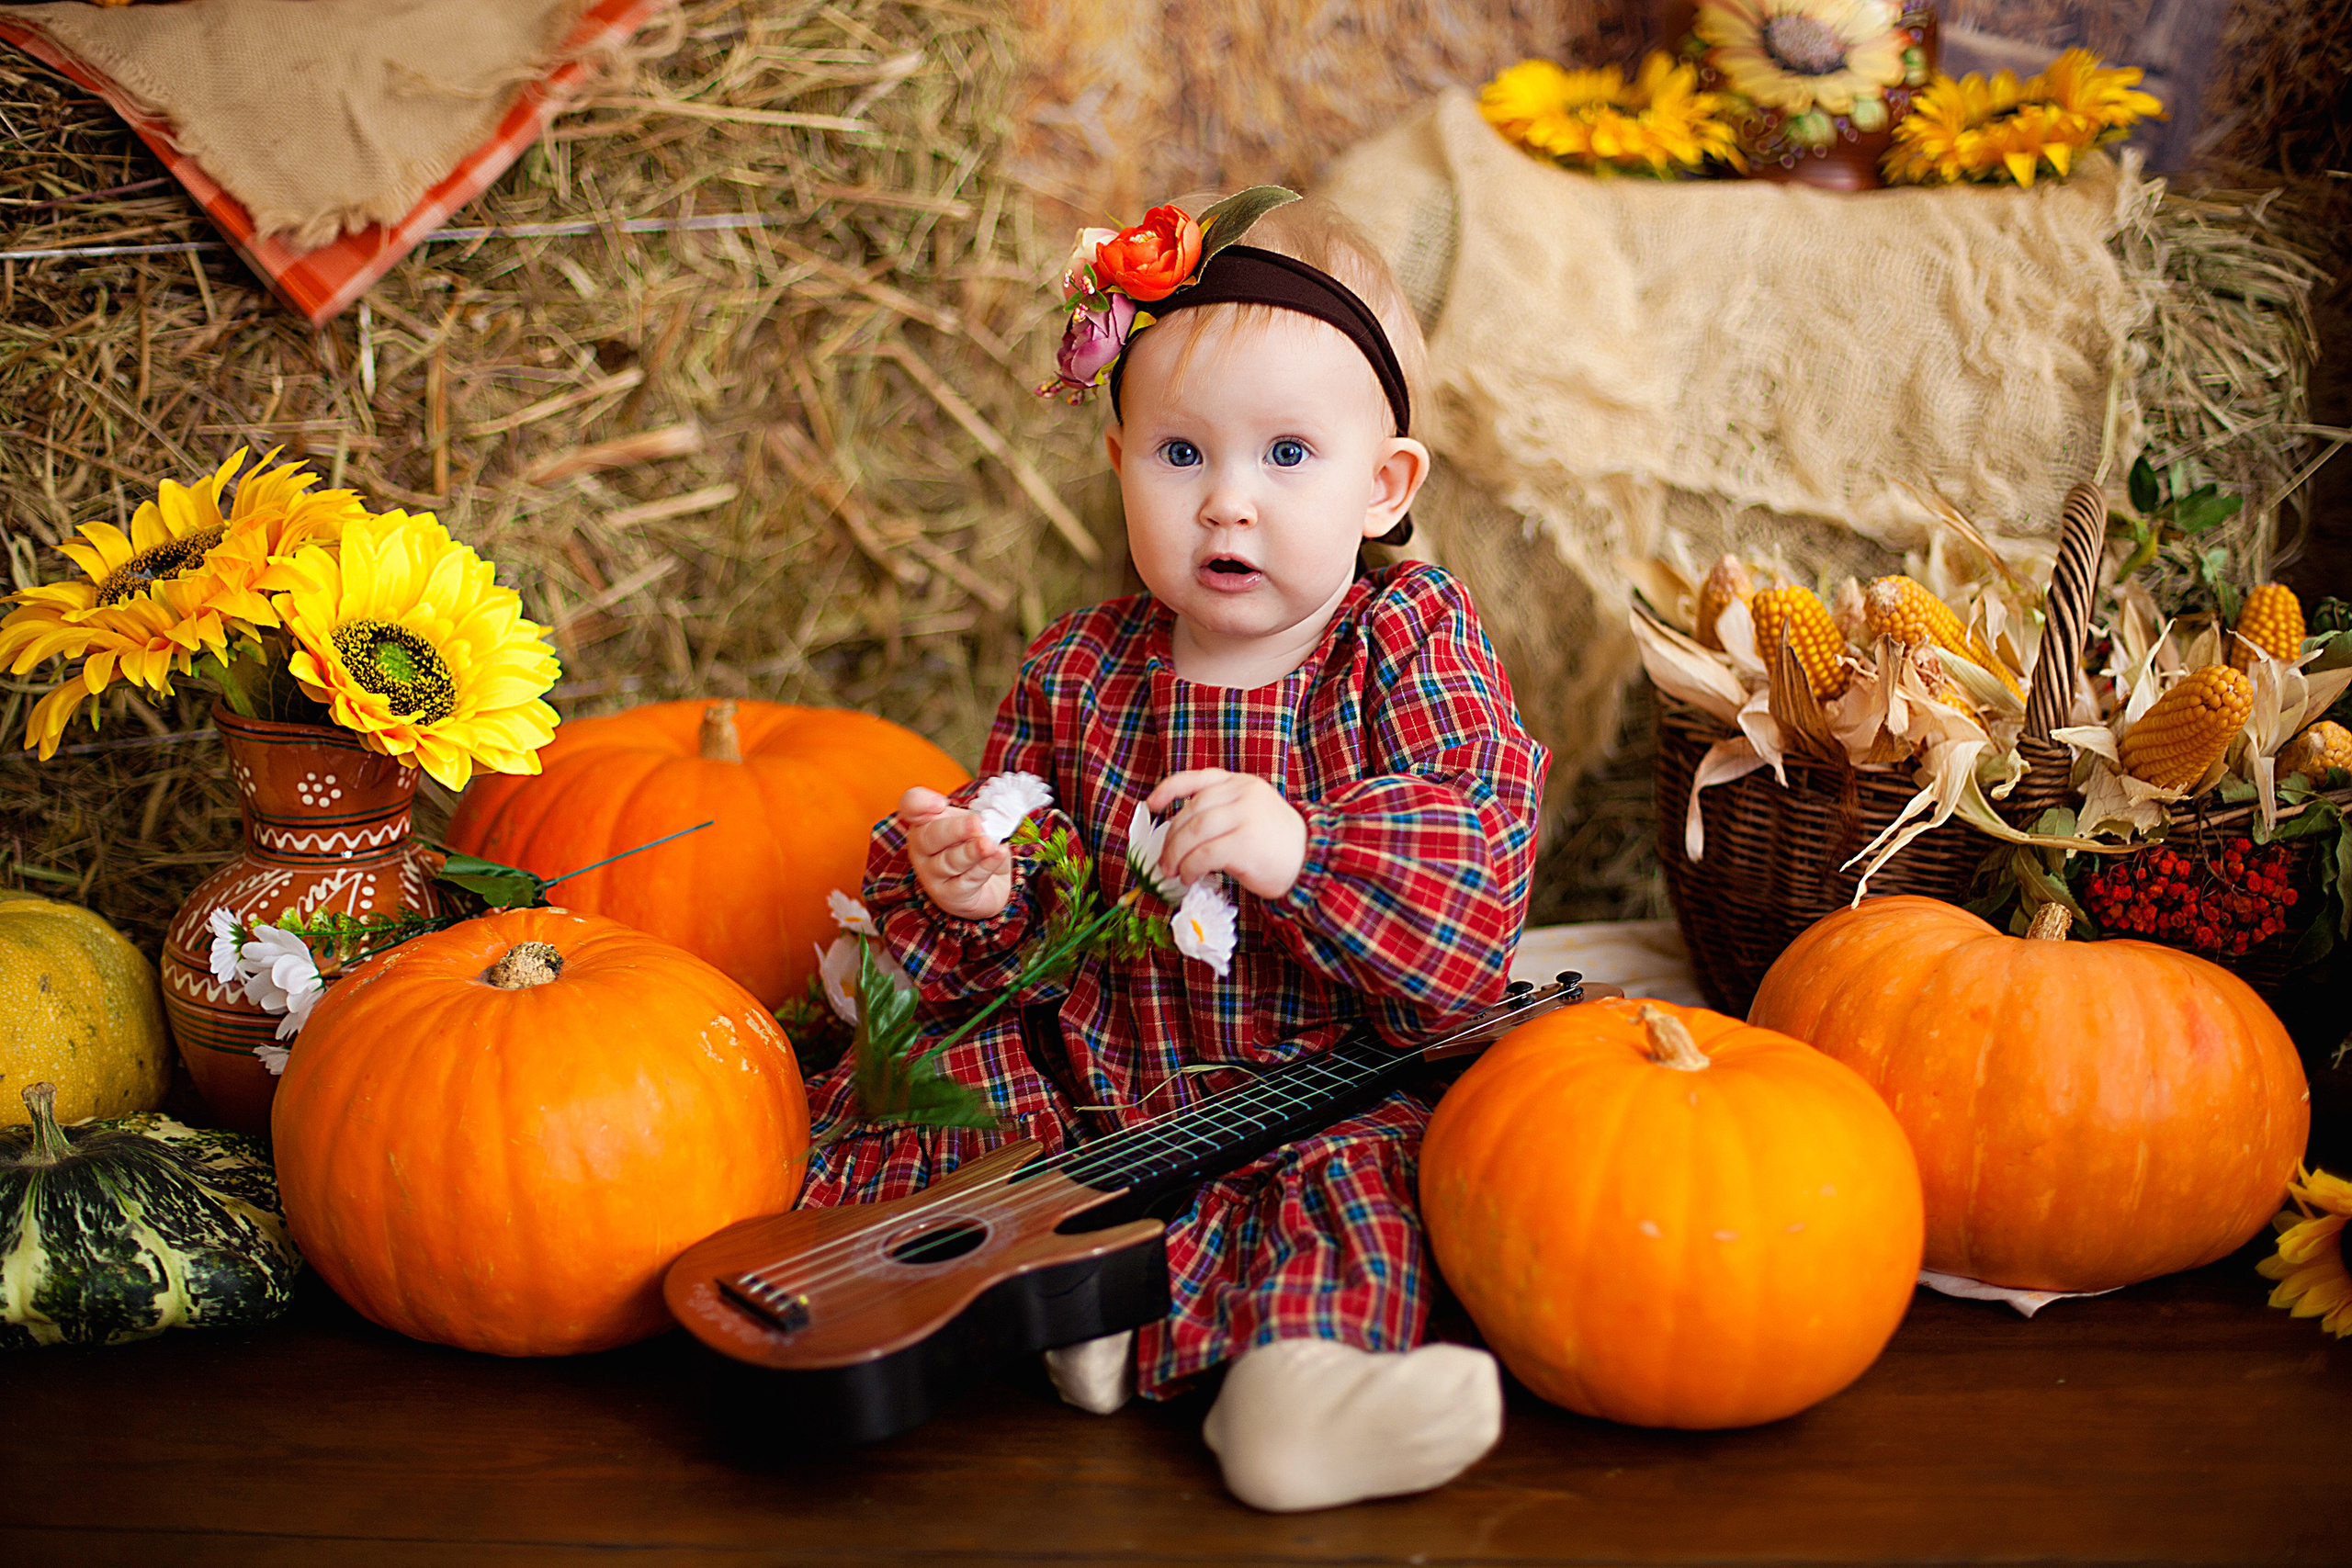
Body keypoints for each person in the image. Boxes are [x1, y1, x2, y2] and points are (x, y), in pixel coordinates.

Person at [797, 191, 1549, 1512]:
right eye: (1183, 456)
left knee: (1349, 1198)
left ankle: (1294, 1396)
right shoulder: (1083, 668)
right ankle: (1055, 1302)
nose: (1229, 508)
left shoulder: (1404, 644)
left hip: (1316, 1089)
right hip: (1104, 1078)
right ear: (1119, 460)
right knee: (968, 1102)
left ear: (1387, 486)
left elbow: (1473, 882)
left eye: (1290, 456)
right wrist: (977, 885)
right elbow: (1028, 874)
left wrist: (1307, 849)